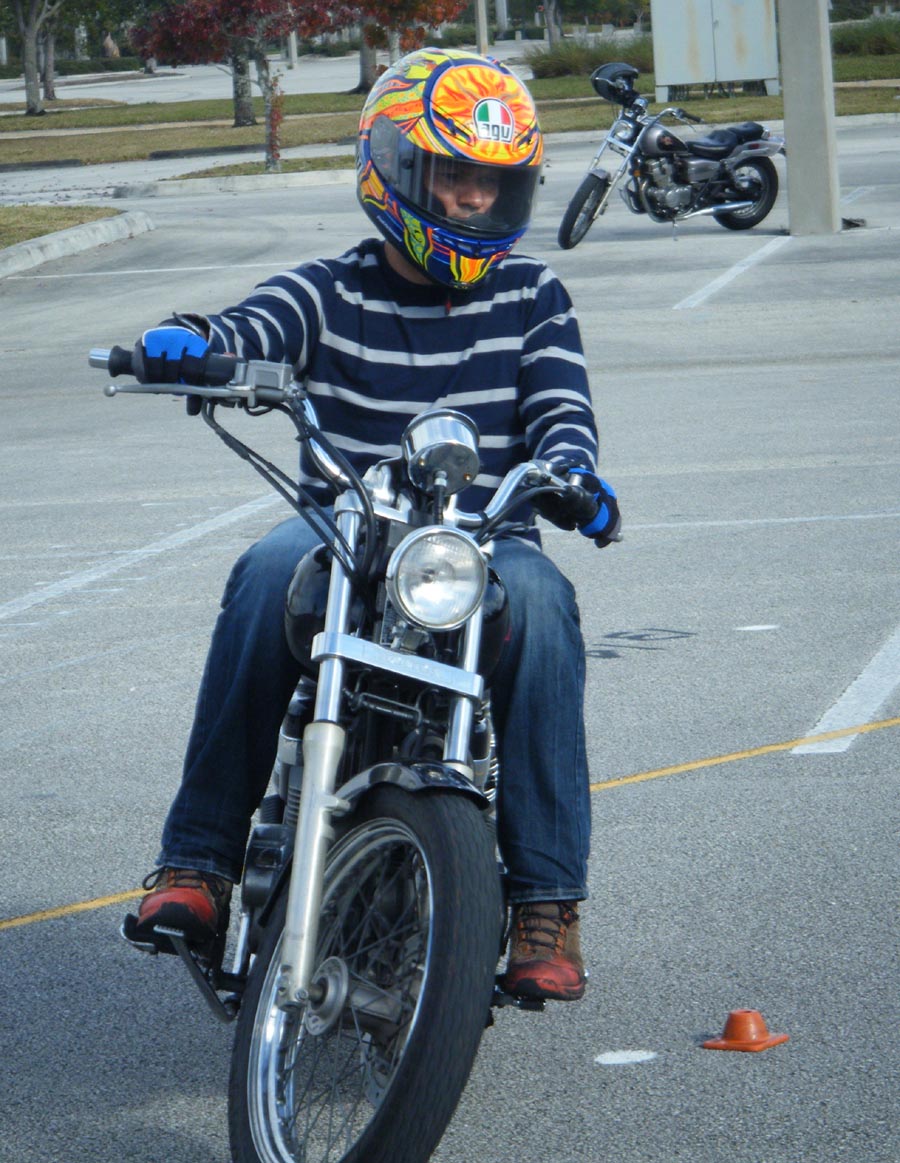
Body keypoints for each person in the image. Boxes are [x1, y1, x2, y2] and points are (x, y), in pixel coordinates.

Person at [129, 47, 620, 1003]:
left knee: (546, 604)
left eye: (494, 182)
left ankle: (546, 901)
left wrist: (574, 475)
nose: (474, 198)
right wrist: (195, 342)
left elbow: (563, 411)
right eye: (454, 174)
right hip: (342, 533)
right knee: (263, 571)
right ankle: (198, 864)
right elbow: (252, 326)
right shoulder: (330, 289)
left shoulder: (534, 296)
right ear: (392, 167)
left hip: (482, 548)